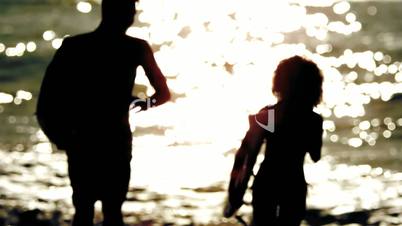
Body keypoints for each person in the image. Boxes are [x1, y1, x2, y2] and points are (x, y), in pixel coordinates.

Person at [36, 0, 171, 225]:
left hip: (82, 139)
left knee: (83, 209)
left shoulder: (74, 46)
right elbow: (163, 94)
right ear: (120, 14)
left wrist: (59, 137)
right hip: (115, 140)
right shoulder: (136, 48)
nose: (132, 16)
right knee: (112, 211)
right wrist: (140, 104)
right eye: (130, 11)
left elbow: (46, 101)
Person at [225, 56, 323, 226]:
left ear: (280, 83)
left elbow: (248, 155)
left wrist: (236, 194)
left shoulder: (270, 115)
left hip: (267, 182)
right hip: (294, 184)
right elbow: (315, 155)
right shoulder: (313, 120)